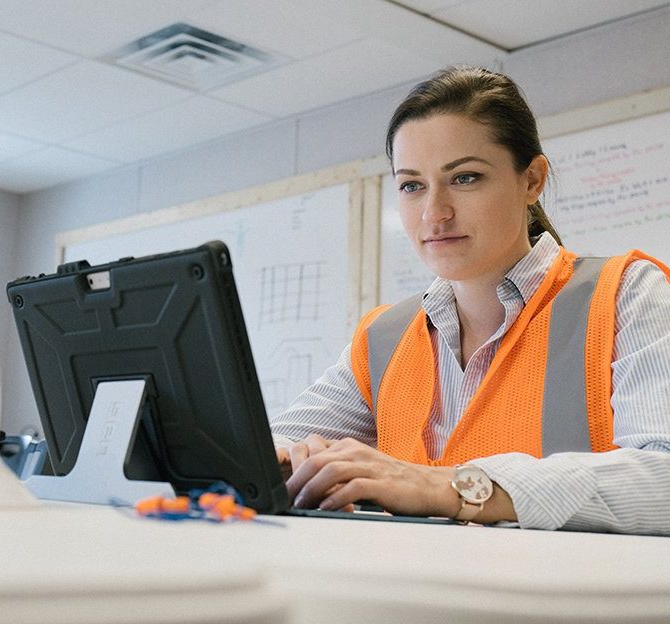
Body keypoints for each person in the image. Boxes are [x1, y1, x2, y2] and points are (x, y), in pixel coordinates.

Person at [270, 65, 670, 534]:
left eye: (465, 178)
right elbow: (273, 443)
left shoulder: (628, 294)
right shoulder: (383, 337)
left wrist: (449, 488)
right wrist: (283, 463)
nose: (434, 214)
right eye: (412, 185)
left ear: (532, 180)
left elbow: (662, 476)